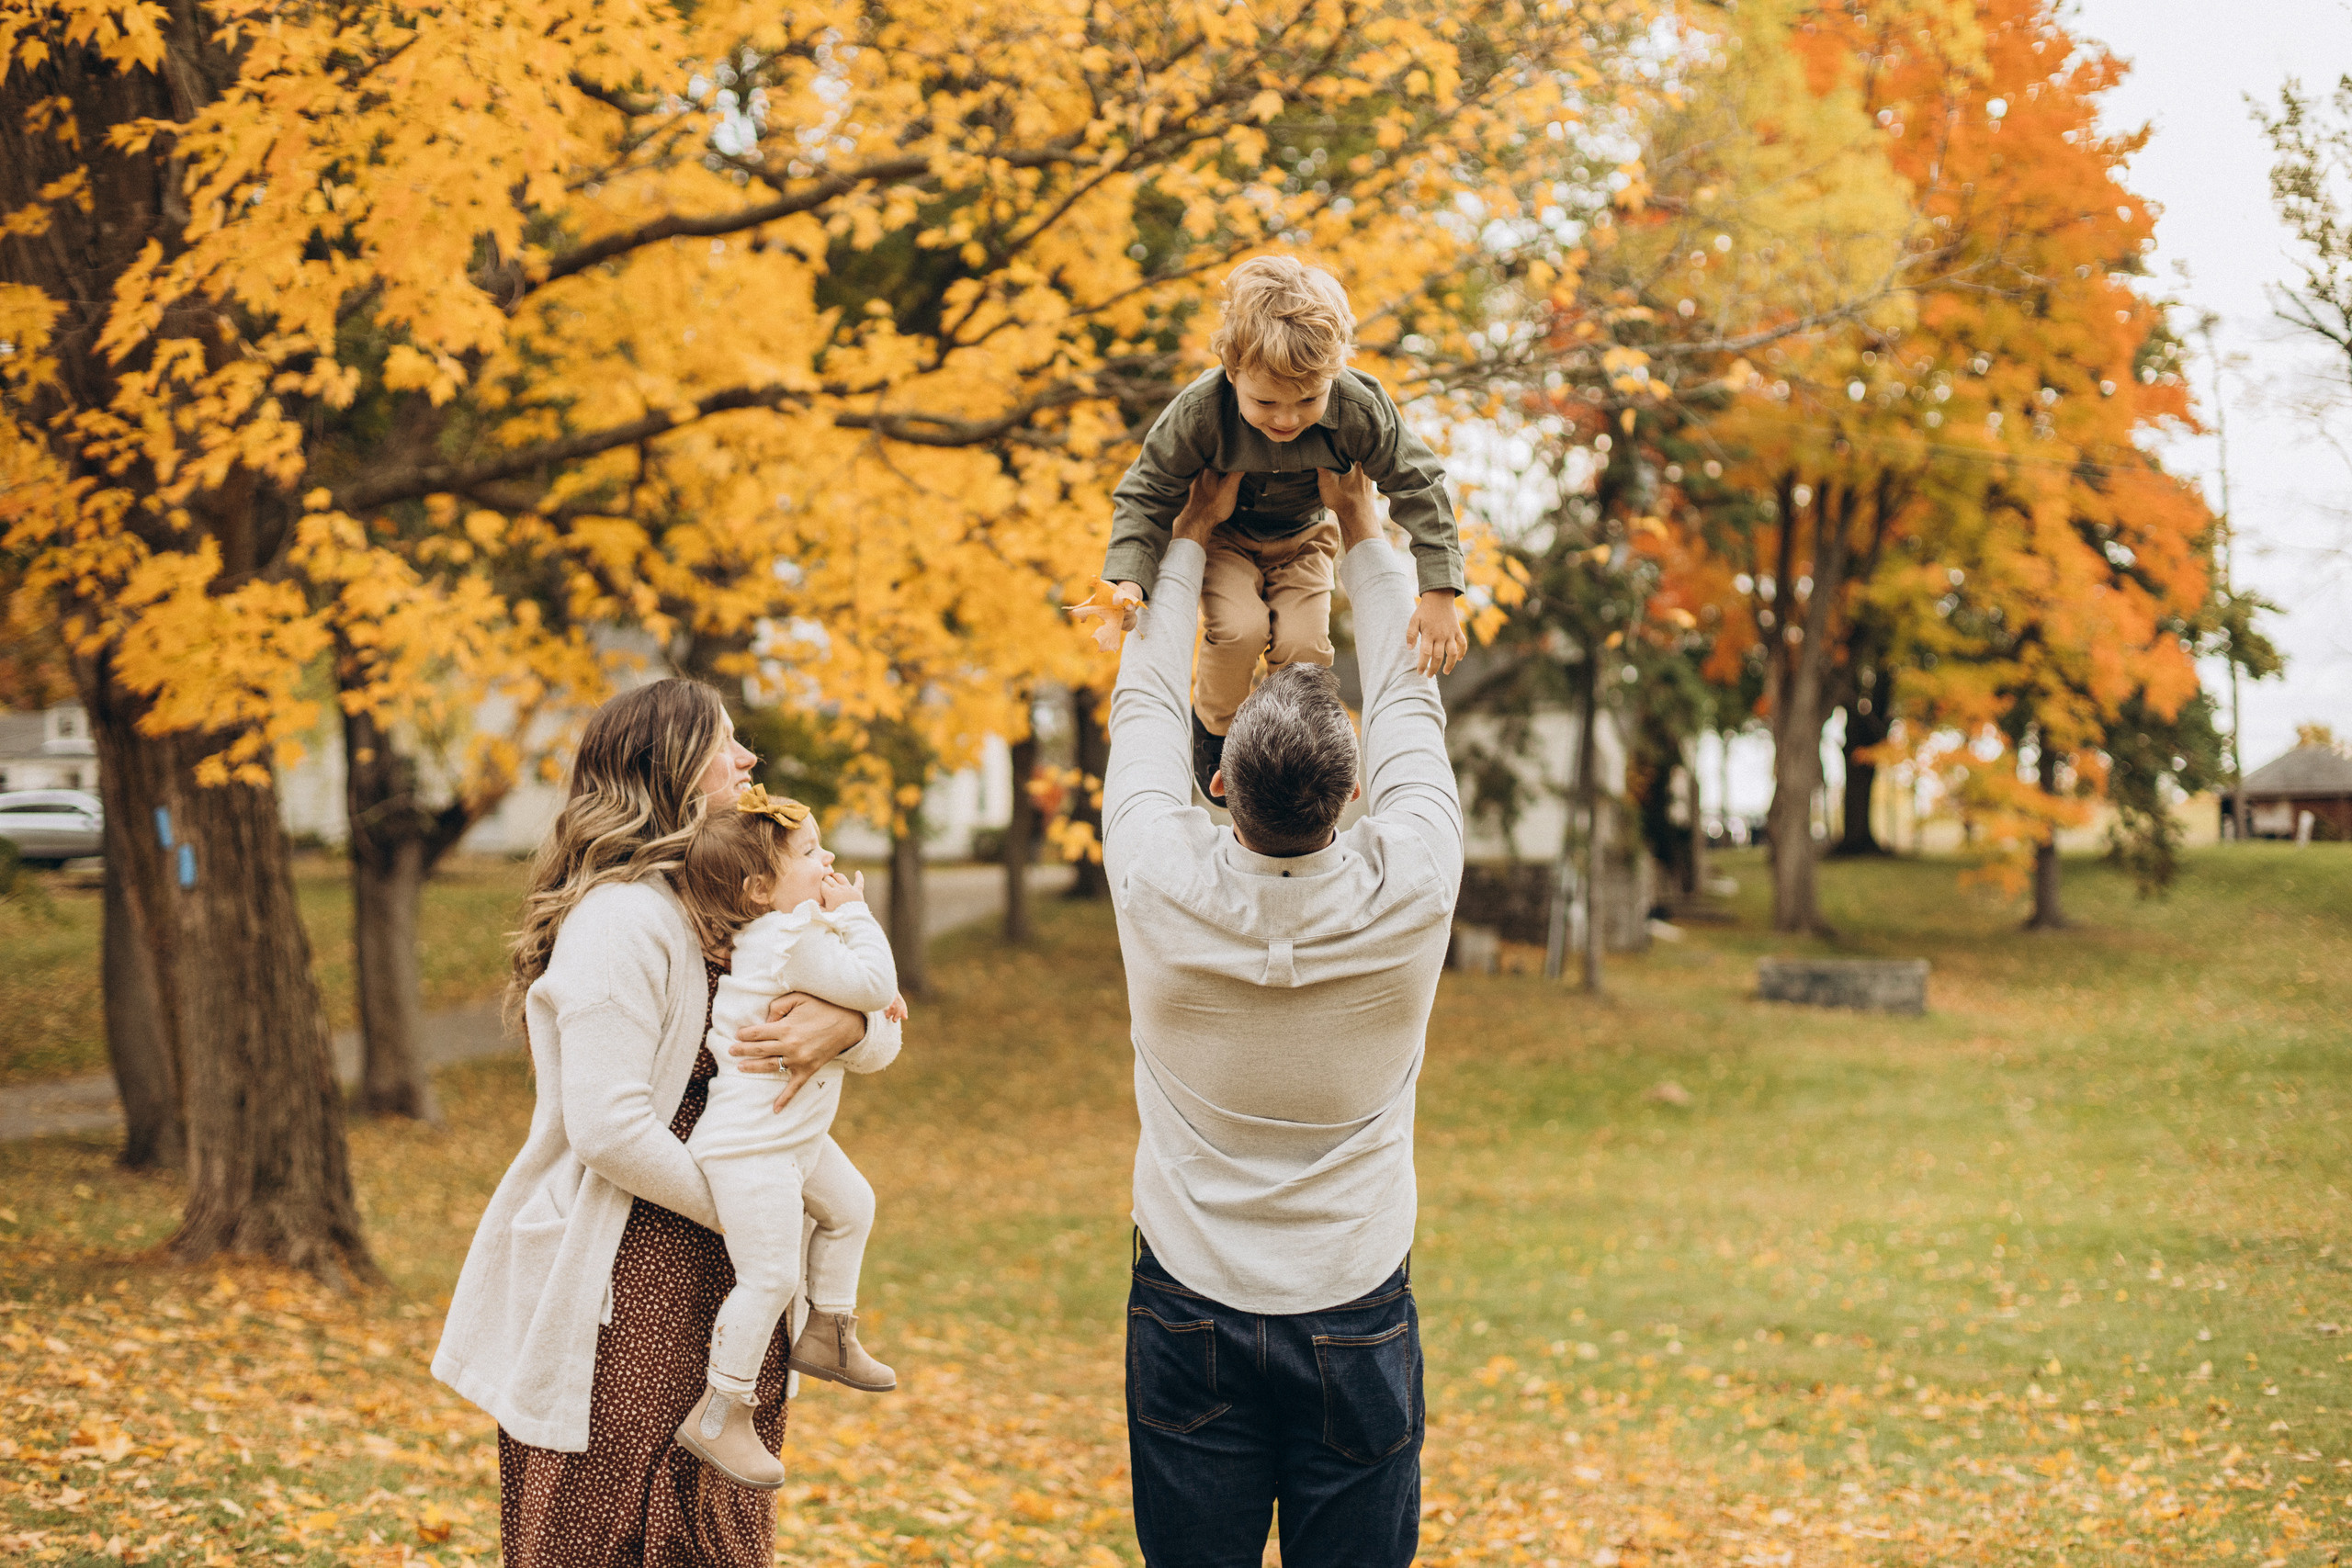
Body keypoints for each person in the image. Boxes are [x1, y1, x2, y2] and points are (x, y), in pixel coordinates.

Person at [433, 678, 893, 1567]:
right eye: (727, 742)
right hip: (625, 1274)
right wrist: (758, 1215)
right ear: (670, 769)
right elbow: (608, 1129)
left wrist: (852, 1023)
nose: (748, 758)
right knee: (612, 1524)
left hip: (718, 1270)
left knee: (710, 1523)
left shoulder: (739, 909)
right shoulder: (622, 921)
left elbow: (868, 1022)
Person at [1100, 462, 1463, 1566]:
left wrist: (1182, 547)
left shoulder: (1155, 877)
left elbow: (1150, 700)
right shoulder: (1416, 887)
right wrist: (1364, 528)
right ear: (1353, 793)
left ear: (1219, 789)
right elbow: (1408, 696)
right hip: (1354, 1303)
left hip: (1188, 1303)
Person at [1095, 254, 1470, 804]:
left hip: (1304, 541)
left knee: (1304, 644)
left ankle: (1303, 750)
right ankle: (1216, 733)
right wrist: (1128, 579)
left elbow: (1419, 485)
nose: (1287, 419)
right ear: (1232, 371)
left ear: (1336, 371)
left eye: (1309, 400)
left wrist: (1438, 591)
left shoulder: (1360, 409)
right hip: (1226, 538)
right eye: (1265, 401)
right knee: (1239, 629)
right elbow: (1146, 491)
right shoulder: (1201, 412)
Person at [669, 785, 906, 1492]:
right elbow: (876, 981)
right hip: (752, 1145)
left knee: (853, 1204)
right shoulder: (789, 938)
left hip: (789, 1135)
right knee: (770, 1275)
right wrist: (858, 915)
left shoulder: (788, 933)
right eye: (809, 852)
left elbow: (870, 1005)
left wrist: (868, 1006)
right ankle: (720, 1411)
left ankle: (828, 1332)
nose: (827, 857)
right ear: (759, 887)